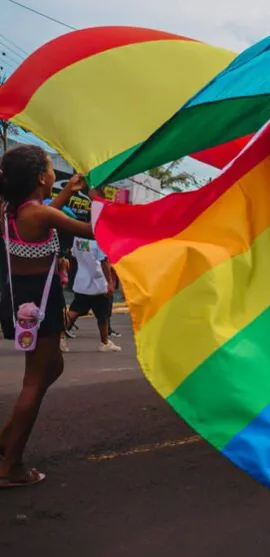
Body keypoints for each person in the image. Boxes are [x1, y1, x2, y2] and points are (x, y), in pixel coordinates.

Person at [0, 145, 94, 488]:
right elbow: (90, 231)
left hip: (24, 298)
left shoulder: (16, 211)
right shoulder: (43, 215)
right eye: (50, 168)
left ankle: (7, 437)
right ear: (42, 177)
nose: (56, 173)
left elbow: (41, 218)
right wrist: (100, 202)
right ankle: (10, 466)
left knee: (52, 367)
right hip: (42, 299)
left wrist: (67, 192)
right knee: (34, 382)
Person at [63, 237, 121, 352]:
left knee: (74, 310)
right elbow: (104, 263)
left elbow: (74, 254)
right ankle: (104, 343)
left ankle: (59, 338)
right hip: (98, 282)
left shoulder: (78, 240)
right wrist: (110, 282)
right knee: (103, 314)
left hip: (82, 280)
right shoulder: (99, 241)